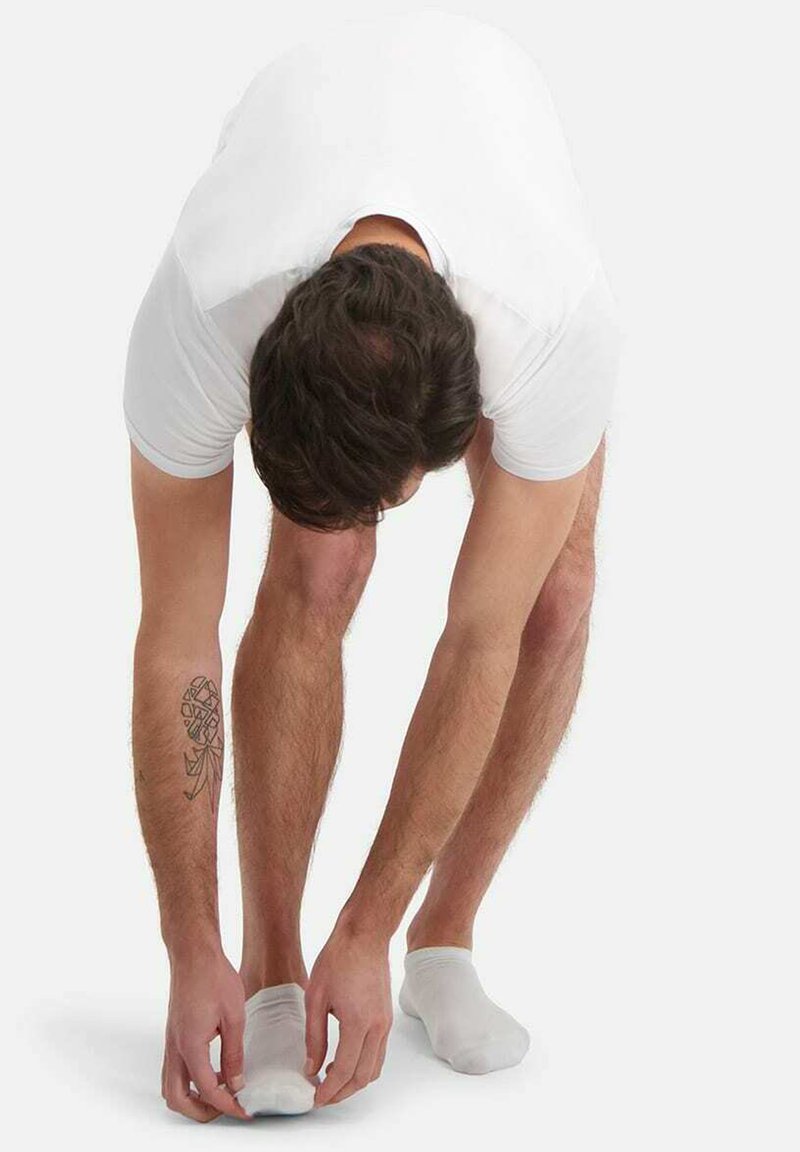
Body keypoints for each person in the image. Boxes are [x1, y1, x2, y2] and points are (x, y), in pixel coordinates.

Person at [124, 8, 623, 1123]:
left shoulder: (550, 327)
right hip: (309, 116)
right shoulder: (201, 317)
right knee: (317, 573)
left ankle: (439, 941)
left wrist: (373, 921)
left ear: (447, 444)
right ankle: (270, 965)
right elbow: (175, 642)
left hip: (494, 126)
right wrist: (187, 942)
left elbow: (479, 638)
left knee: (552, 596)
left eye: (382, 503)